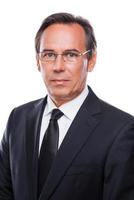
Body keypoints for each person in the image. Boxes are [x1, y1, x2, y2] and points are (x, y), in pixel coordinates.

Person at [0, 12, 134, 200]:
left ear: (91, 60)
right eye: (49, 54)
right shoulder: (18, 118)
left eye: (71, 55)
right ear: (38, 61)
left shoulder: (121, 129)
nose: (58, 66)